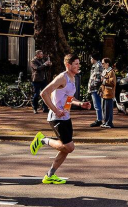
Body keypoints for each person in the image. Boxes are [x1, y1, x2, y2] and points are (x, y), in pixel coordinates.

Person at [30, 54, 92, 184]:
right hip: (57, 118)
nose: (78, 66)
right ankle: (42, 139)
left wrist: (80, 103)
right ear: (68, 65)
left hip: (66, 117)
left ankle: (50, 175)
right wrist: (55, 110)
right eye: (75, 64)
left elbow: (69, 98)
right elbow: (44, 93)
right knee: (69, 147)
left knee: (65, 149)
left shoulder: (72, 78)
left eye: (78, 63)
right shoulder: (61, 78)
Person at [87, 55, 104, 128]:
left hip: (95, 89)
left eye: (91, 58)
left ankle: (99, 119)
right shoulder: (97, 65)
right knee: (99, 104)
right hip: (95, 88)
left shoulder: (97, 66)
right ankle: (101, 119)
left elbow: (97, 78)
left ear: (93, 58)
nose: (90, 60)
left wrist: (93, 87)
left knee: (97, 105)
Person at [100, 58, 116, 128]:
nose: (102, 65)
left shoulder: (111, 72)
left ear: (107, 63)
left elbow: (112, 82)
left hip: (109, 93)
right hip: (104, 93)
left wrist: (104, 81)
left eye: (103, 63)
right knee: (104, 109)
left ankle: (109, 123)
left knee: (108, 109)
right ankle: (105, 122)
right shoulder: (105, 71)